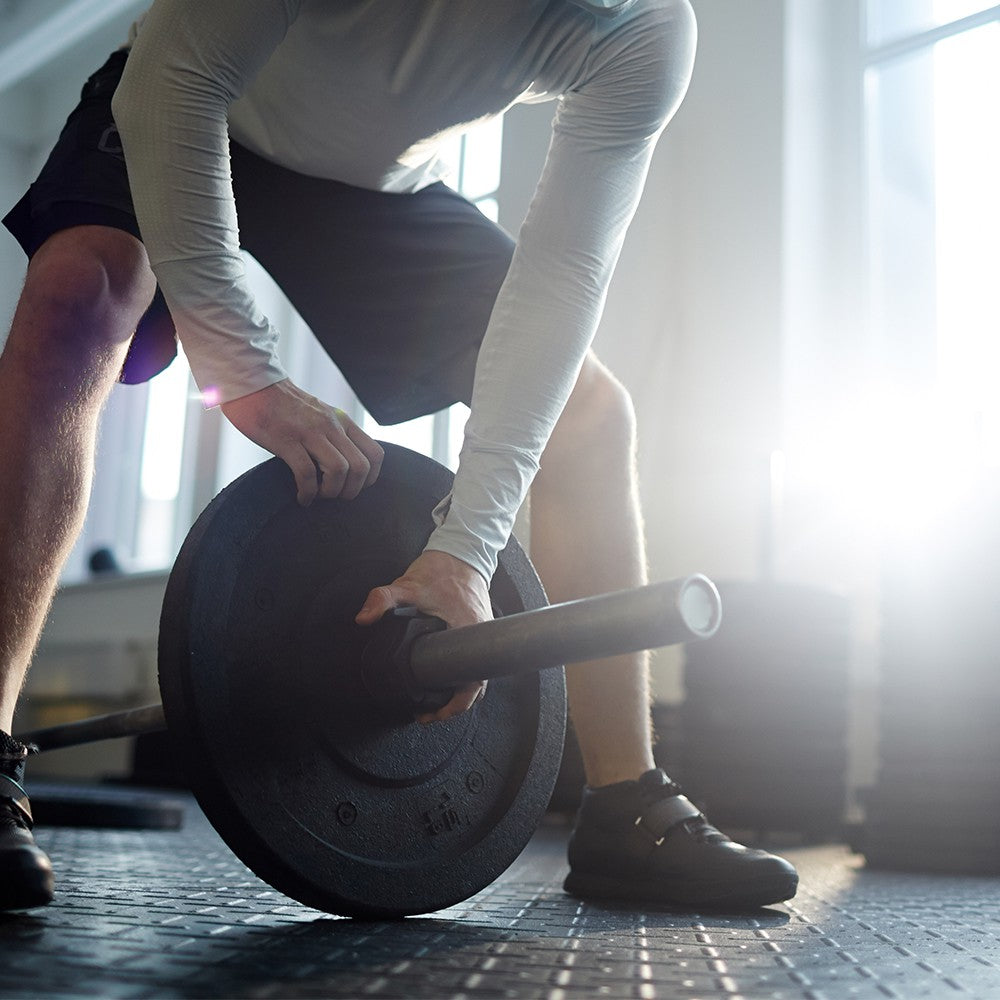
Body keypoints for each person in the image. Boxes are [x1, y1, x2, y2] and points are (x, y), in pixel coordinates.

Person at [0, 0, 798, 912]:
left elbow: (562, 277)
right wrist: (242, 371)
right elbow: (176, 77)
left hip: (374, 188)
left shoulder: (644, 28)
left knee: (589, 417)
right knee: (81, 296)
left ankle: (626, 806)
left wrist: (465, 553)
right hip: (194, 101)